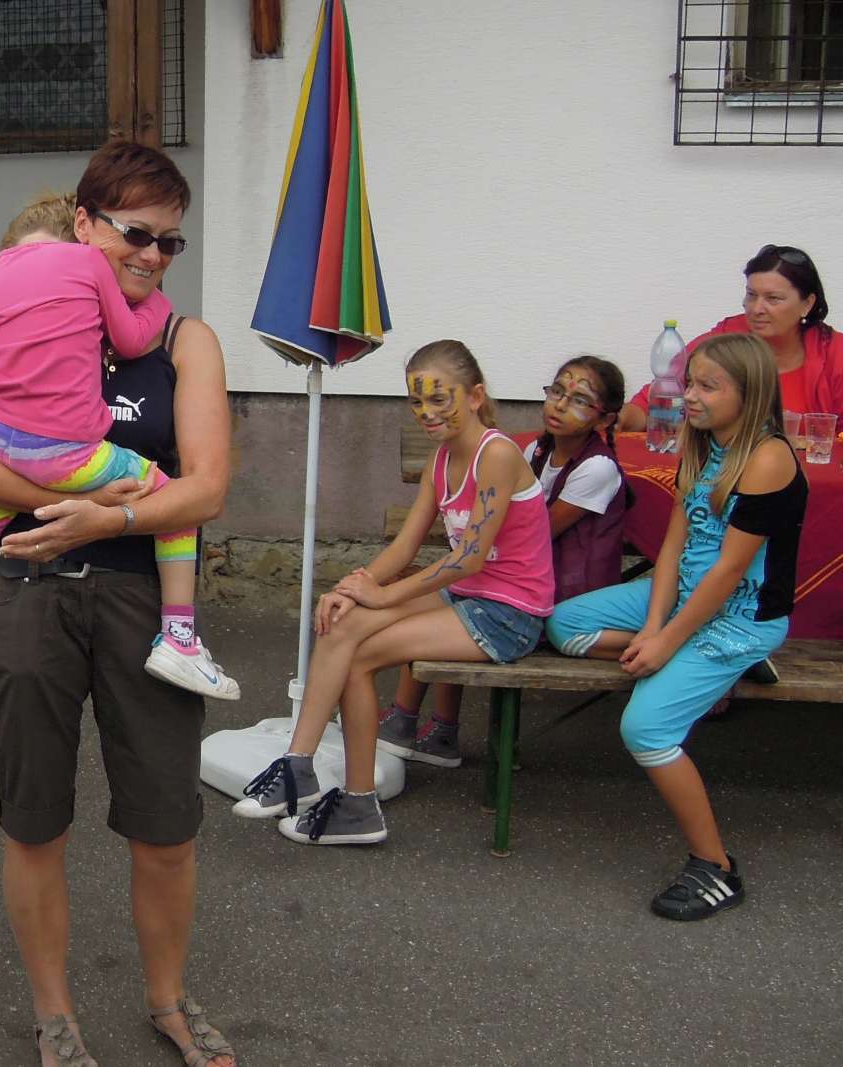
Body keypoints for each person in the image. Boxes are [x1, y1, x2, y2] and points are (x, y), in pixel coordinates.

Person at [0, 143, 237, 1067]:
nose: (152, 255)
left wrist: (104, 518)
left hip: (145, 601)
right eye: (136, 234)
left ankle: (169, 999)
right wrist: (66, 508)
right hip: (28, 592)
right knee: (35, 821)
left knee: (166, 822)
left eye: (171, 241)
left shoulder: (186, 341)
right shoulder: (33, 306)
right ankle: (56, 1016)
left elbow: (206, 487)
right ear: (84, 223)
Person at [0, 191, 237, 719]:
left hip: (7, 454)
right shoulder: (81, 290)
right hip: (58, 498)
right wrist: (93, 505)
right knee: (160, 489)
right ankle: (179, 636)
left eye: (167, 242)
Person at [233, 341, 555, 846]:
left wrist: (383, 597)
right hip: (468, 596)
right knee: (342, 622)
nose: (426, 412)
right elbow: (405, 547)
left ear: (475, 396)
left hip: (508, 615)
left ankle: (359, 805)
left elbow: (470, 557)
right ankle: (298, 765)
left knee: (360, 658)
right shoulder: (440, 460)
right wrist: (350, 590)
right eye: (417, 402)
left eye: (439, 399)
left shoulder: (496, 454)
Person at [548, 334, 806, 921]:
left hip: (739, 618)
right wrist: (655, 627)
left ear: (750, 394)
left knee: (645, 729)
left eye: (707, 386)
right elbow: (672, 548)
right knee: (565, 624)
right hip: (688, 600)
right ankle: (703, 665)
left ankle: (716, 867)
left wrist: (667, 642)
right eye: (690, 382)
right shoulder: (702, 445)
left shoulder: (766, 458)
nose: (688, 395)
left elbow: (729, 571)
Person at [377, 355, 629, 767]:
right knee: (444, 598)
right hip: (507, 581)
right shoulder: (535, 450)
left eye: (579, 400)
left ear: (604, 420)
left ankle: (423, 725)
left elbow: (538, 532)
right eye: (557, 391)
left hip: (560, 600)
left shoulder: (597, 468)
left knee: (443, 604)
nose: (560, 404)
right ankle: (423, 724)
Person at [619, 244, 843, 430]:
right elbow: (655, 404)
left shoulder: (836, 354)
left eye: (773, 298)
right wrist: (618, 419)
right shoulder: (725, 339)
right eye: (751, 295)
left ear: (807, 304)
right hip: (724, 466)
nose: (756, 309)